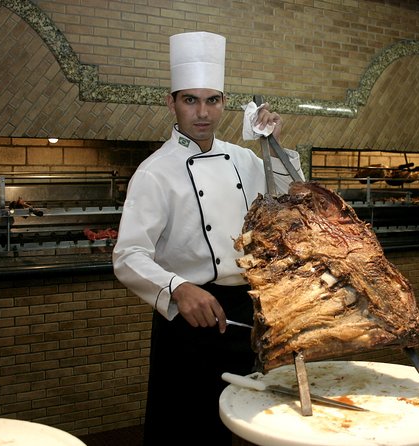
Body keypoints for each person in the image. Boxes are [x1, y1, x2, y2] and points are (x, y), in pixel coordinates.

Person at [112, 31, 304, 445]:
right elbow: (128, 255)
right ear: (171, 102)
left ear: (223, 102)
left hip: (245, 313)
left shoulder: (243, 158)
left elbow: (293, 195)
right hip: (189, 315)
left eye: (212, 100)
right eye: (190, 100)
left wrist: (272, 143)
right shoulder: (154, 172)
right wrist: (178, 288)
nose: (203, 113)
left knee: (248, 421)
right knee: (186, 428)